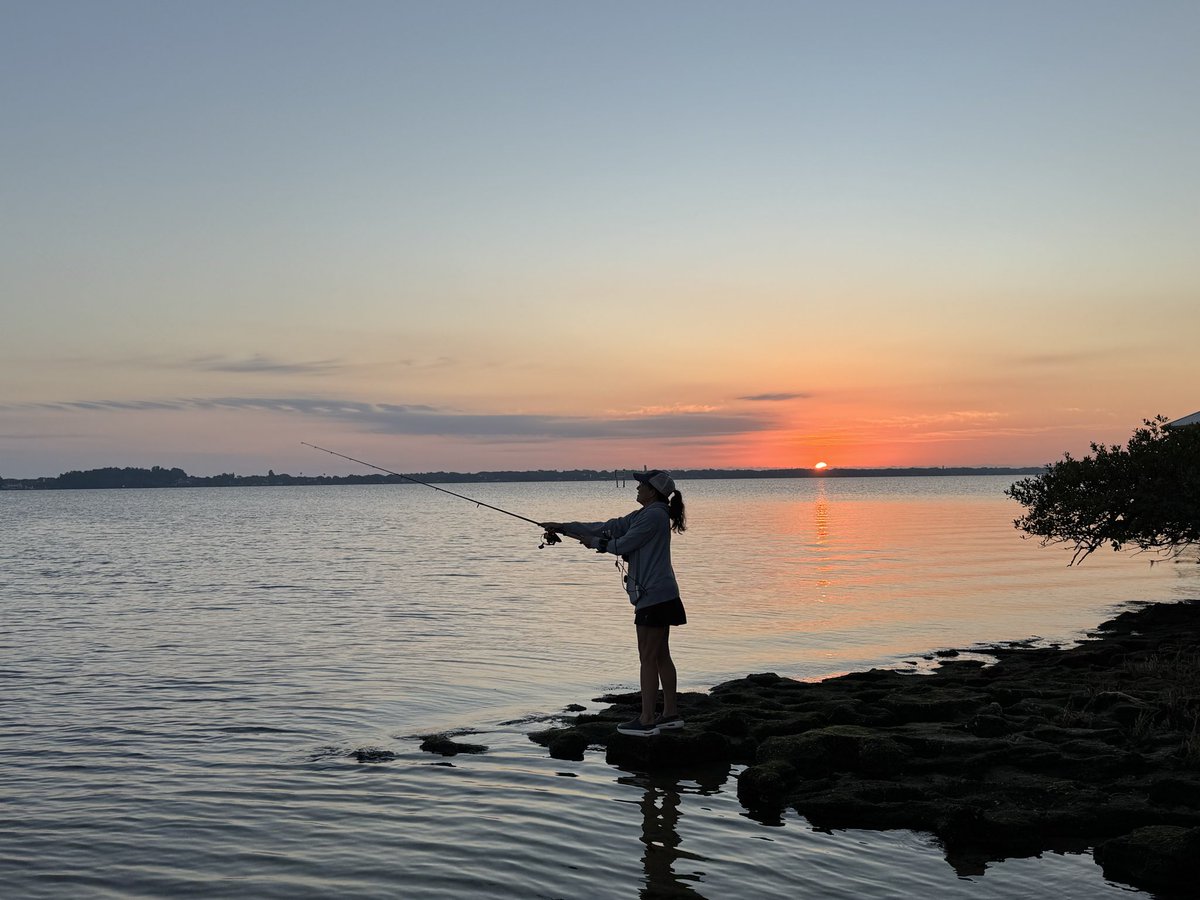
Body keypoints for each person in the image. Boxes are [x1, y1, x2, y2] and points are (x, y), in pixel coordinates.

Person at [542, 470, 687, 737]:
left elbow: (622, 543)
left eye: (641, 484)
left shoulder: (654, 515)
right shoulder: (647, 514)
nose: (637, 488)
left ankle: (646, 719)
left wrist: (595, 543)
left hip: (653, 596)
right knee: (661, 655)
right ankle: (669, 714)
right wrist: (565, 527)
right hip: (660, 594)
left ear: (653, 491)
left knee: (648, 657)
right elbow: (611, 527)